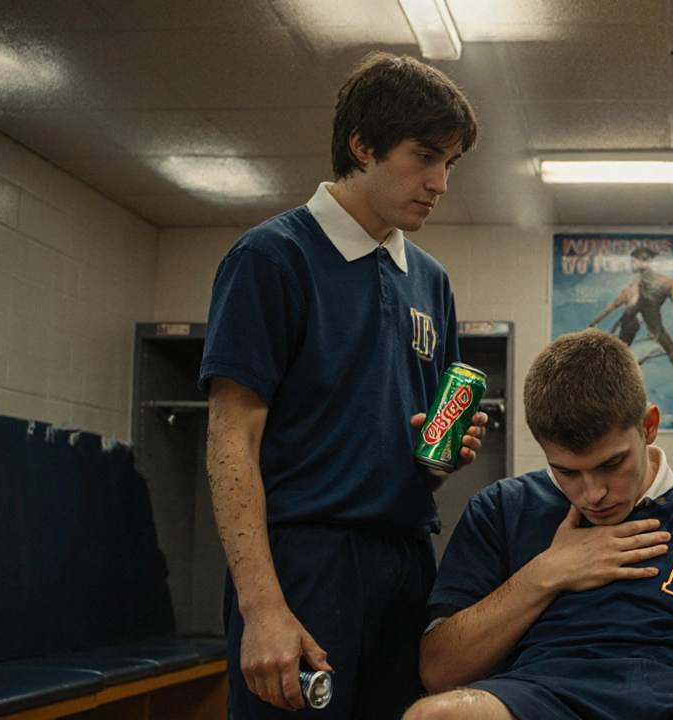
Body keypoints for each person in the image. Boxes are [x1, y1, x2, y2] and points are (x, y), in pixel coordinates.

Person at [199, 52, 485, 719]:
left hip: (408, 555)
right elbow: (228, 438)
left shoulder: (431, 281)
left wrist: (440, 457)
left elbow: (415, 451)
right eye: (424, 157)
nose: (440, 182)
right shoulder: (270, 257)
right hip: (306, 559)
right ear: (362, 145)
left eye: (450, 163)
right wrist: (262, 605)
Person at [405, 330, 673, 720]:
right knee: (432, 716)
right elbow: (439, 671)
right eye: (567, 471)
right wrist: (546, 572)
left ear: (649, 426)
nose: (593, 494)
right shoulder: (502, 509)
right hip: (545, 696)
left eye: (611, 464)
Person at [588, 246, 673, 366]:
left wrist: (594, 322)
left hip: (632, 329)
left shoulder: (633, 288)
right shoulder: (668, 283)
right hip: (651, 329)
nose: (632, 265)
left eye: (634, 262)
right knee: (668, 348)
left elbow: (612, 307)